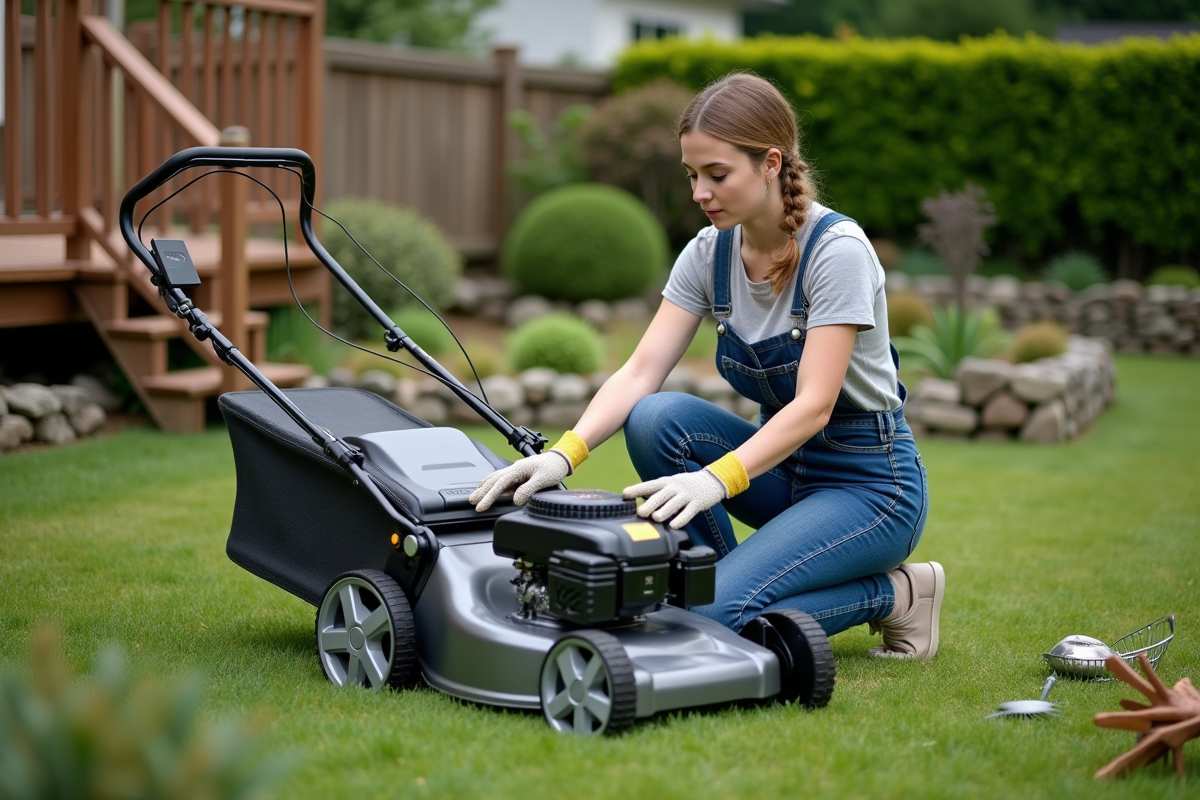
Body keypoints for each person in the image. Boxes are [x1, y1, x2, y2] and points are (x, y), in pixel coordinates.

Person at [470, 73, 943, 660]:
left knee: (717, 613)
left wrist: (715, 479)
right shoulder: (708, 253)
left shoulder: (837, 252)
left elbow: (814, 405)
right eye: (693, 174)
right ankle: (711, 591)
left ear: (771, 163)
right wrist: (564, 453)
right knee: (656, 417)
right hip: (783, 473)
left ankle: (897, 593)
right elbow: (641, 372)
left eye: (717, 174)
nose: (699, 191)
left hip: (869, 485)